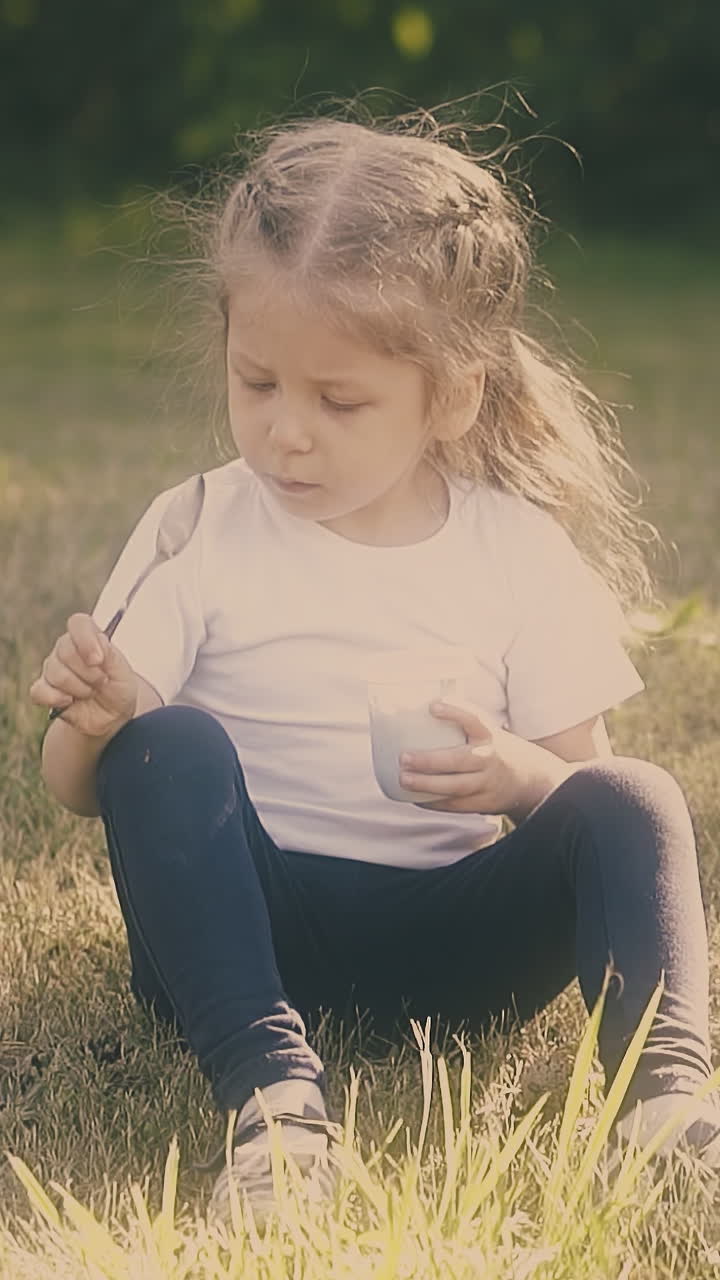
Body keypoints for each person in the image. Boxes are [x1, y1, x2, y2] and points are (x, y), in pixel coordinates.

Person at [30, 107, 720, 1228]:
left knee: (638, 796)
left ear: (449, 396)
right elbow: (78, 788)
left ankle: (667, 1105)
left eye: (337, 401)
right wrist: (99, 715)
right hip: (236, 929)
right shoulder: (200, 522)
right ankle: (273, 1104)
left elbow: (576, 786)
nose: (285, 433)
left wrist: (513, 774)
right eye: (257, 384)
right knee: (168, 742)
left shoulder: (513, 548)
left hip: (448, 953)